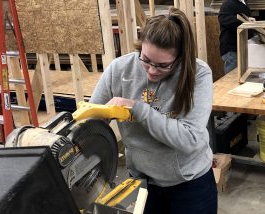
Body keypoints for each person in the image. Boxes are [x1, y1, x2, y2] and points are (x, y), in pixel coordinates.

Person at [90, 6, 217, 214]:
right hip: (143, 183)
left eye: (162, 65)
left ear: (180, 59)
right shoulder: (119, 69)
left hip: (190, 184)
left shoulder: (198, 74)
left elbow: (191, 139)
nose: (151, 71)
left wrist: (138, 109)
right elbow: (92, 121)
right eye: (146, 60)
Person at [218, 0, 254, 74]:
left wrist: (249, 21)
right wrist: (242, 20)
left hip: (241, 47)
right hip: (232, 48)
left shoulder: (243, 3)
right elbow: (222, 19)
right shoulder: (228, 3)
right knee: (232, 77)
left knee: (241, 76)